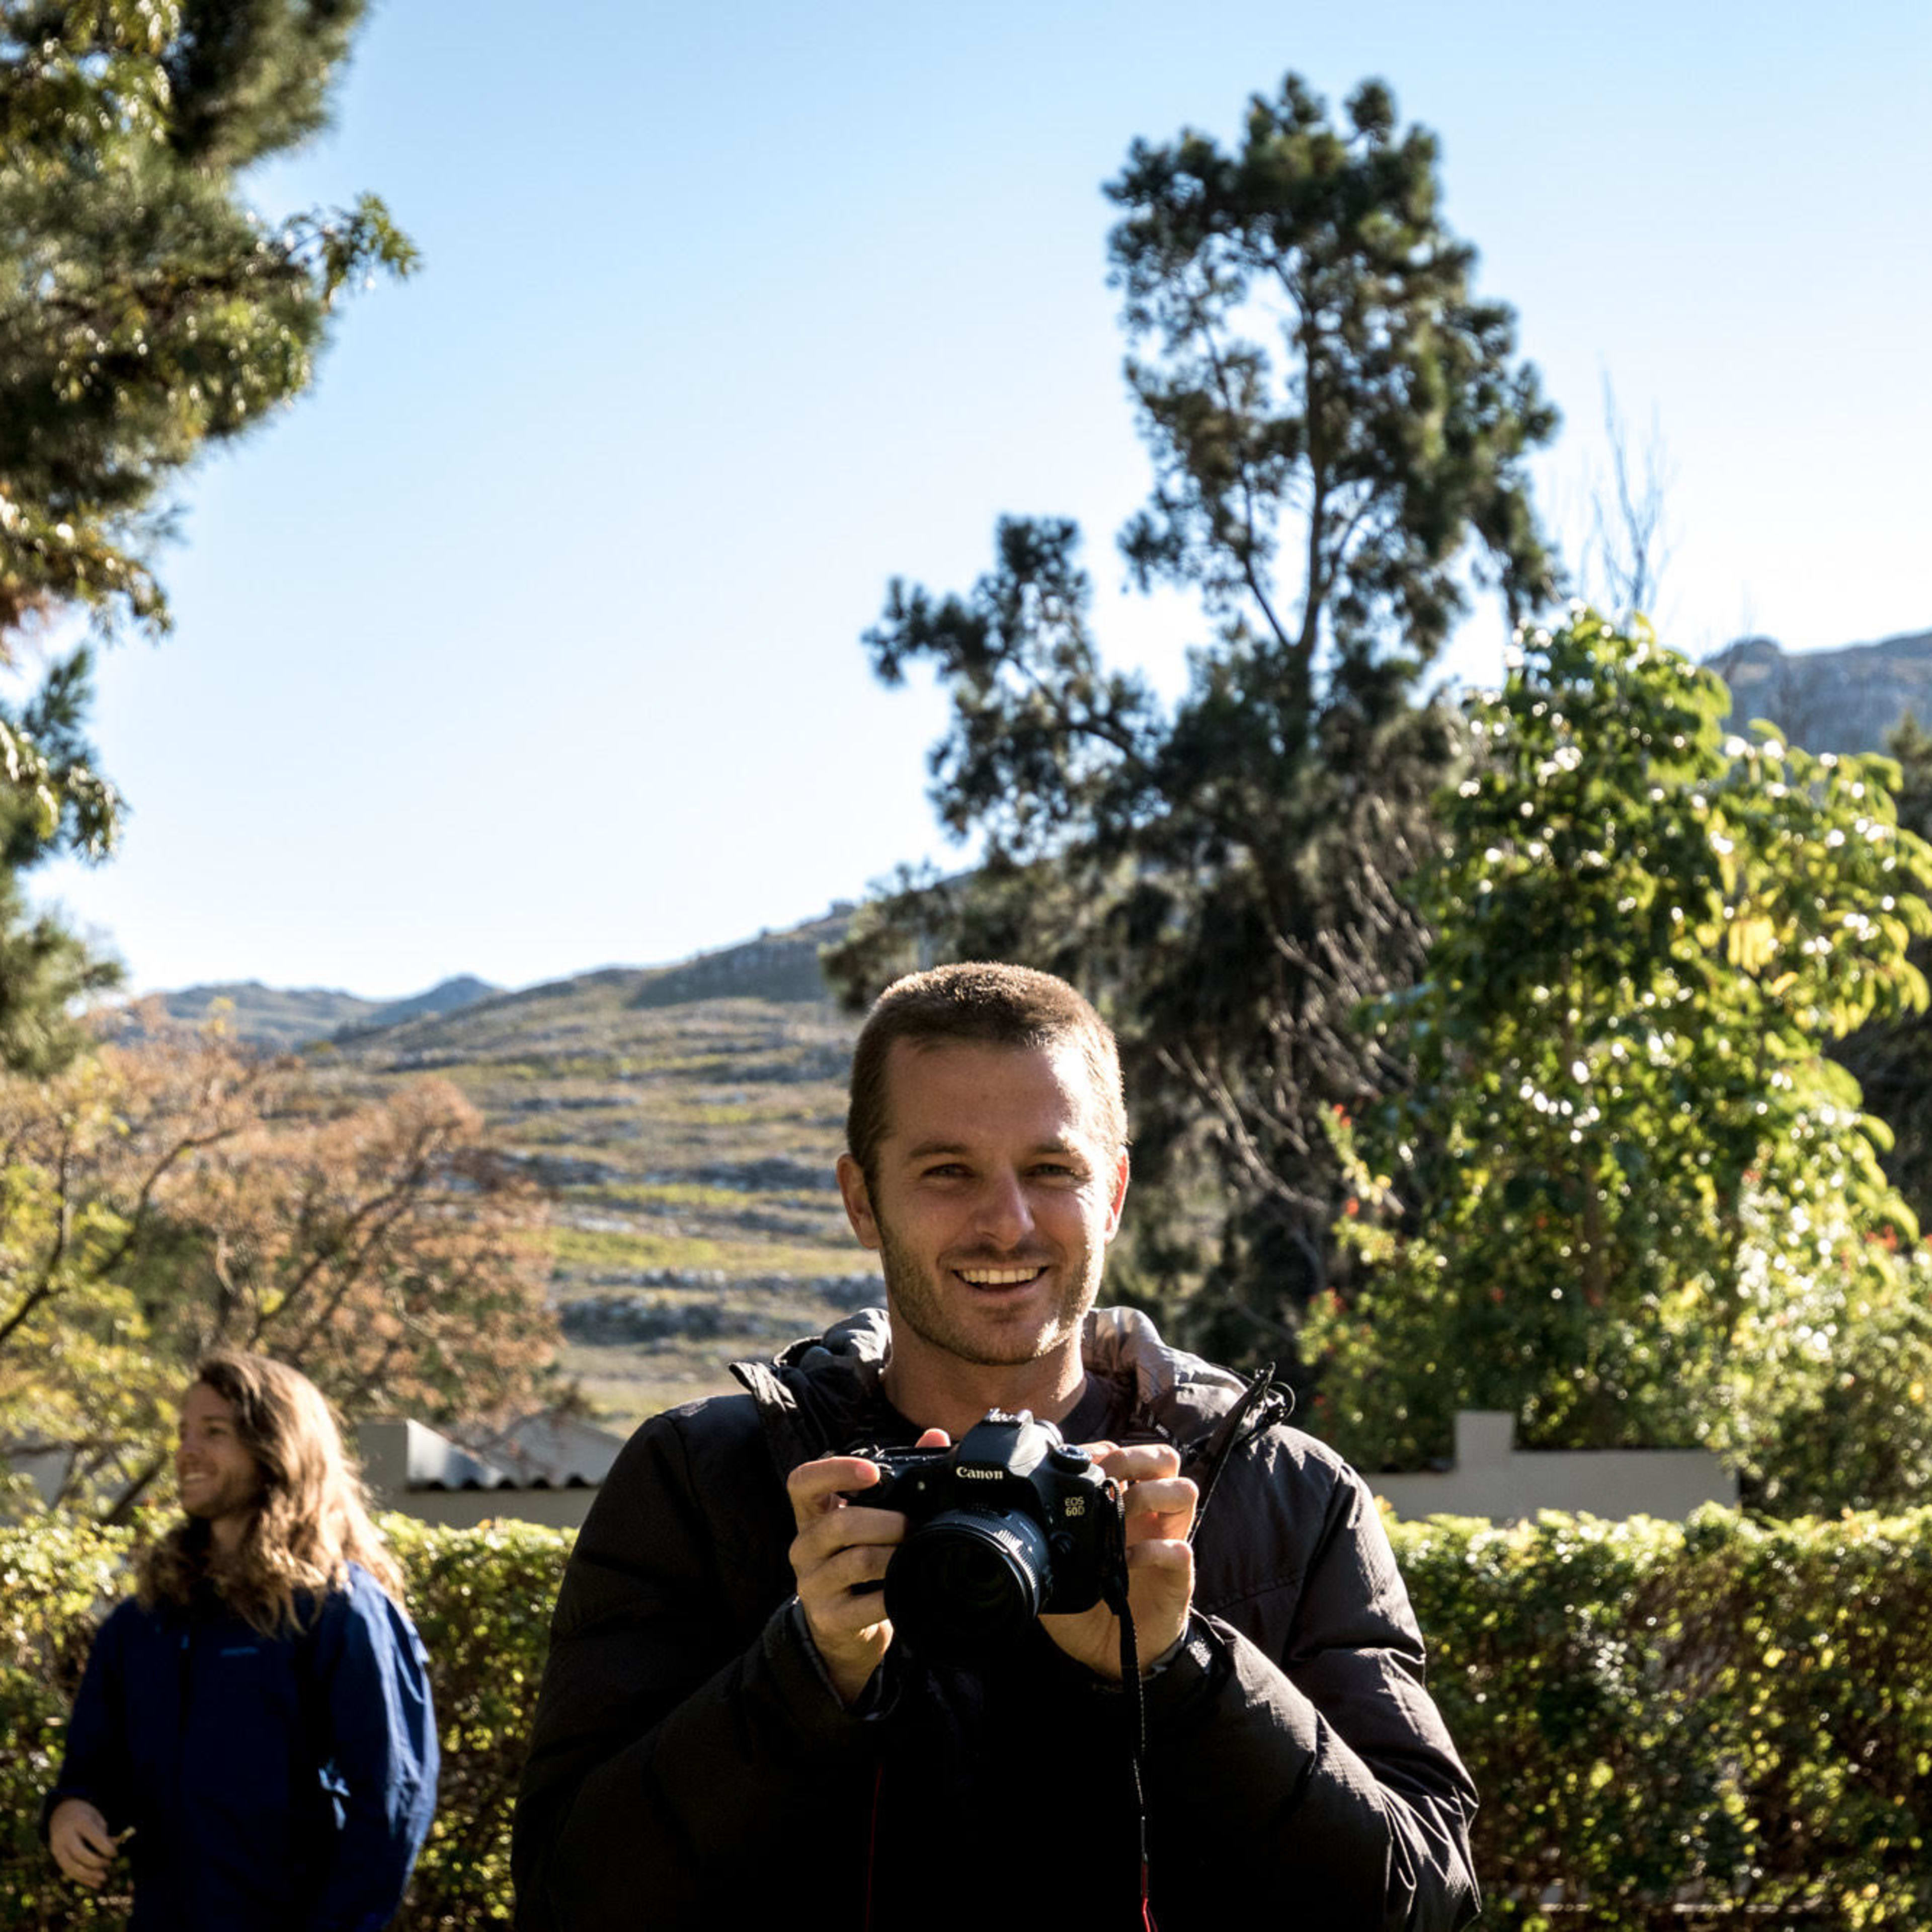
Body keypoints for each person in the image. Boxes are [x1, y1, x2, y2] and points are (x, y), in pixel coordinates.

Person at [513, 963, 1479, 1930]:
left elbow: (1426, 1900)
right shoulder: (704, 1479)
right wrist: (806, 1673)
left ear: (1113, 1193)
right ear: (861, 1199)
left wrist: (1176, 1669)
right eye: (947, 1171)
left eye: (1052, 1170)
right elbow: (569, 1897)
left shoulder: (1284, 1495)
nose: (1006, 1223)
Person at [44, 1350, 440, 1930]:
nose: (187, 1451)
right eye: (183, 1432)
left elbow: (393, 1801)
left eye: (214, 1432)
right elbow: (93, 1769)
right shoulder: (146, 1619)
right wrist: (72, 1811)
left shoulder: (338, 1609)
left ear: (276, 1447)